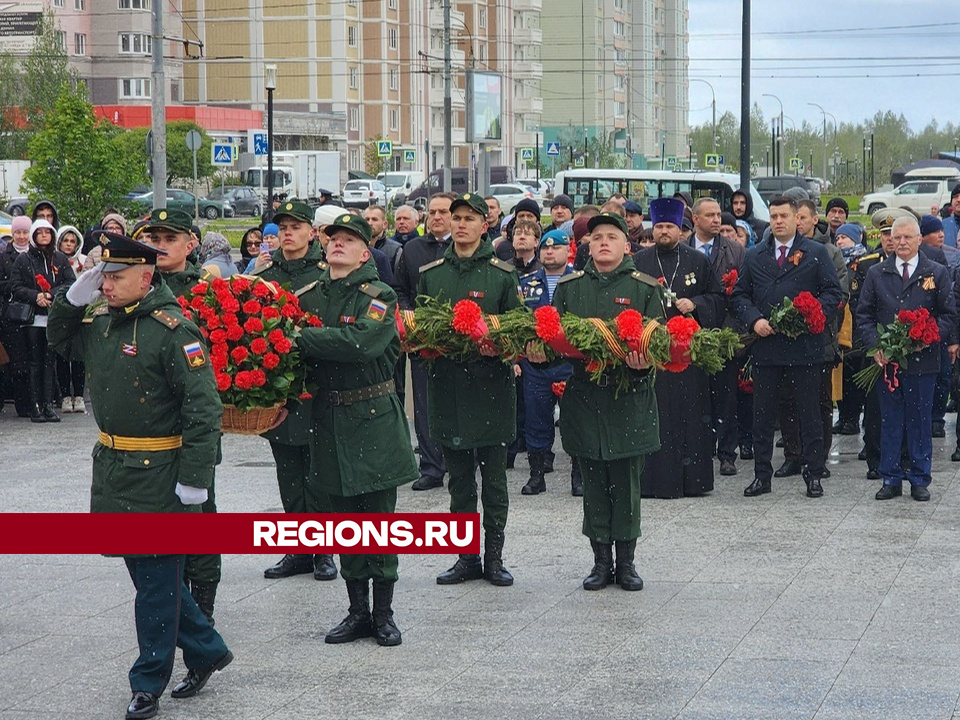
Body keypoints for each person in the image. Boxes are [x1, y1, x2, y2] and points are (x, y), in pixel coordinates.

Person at [47, 232, 232, 720]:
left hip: (159, 472)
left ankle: (147, 681)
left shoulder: (172, 331)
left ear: (146, 278)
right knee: (150, 574)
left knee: (154, 582)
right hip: (113, 467)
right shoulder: (105, 323)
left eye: (116, 276)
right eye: (103, 277)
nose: (106, 286)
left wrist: (195, 479)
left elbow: (203, 408)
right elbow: (60, 341)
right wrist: (73, 297)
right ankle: (208, 648)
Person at [295, 212, 418, 646]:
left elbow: (363, 343)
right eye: (333, 238)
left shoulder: (379, 294)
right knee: (343, 523)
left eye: (349, 239)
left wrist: (305, 339)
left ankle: (384, 614)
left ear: (366, 251)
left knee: (380, 523)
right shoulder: (309, 296)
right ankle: (356, 612)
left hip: (373, 420)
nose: (338, 244)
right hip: (328, 419)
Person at [530, 211, 663, 591]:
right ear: (586, 245)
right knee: (593, 482)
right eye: (596, 237)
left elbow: (660, 345)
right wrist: (543, 352)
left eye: (612, 236)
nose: (603, 242)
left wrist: (640, 367)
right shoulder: (571, 287)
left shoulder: (645, 288)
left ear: (627, 245)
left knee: (626, 483)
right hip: (585, 397)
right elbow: (555, 338)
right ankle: (600, 560)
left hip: (629, 399)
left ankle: (627, 563)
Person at [417, 192, 521, 586]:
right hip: (448, 387)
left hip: (490, 386)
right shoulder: (433, 272)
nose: (460, 224)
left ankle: (494, 557)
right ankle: (465, 557)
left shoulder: (501, 274)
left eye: (468, 218)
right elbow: (422, 326)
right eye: (454, 217)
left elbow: (518, 327)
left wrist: (495, 340)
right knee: (459, 481)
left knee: (494, 480)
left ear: (484, 225)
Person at [730, 196, 843, 498]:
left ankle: (813, 474)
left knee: (810, 414)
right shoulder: (755, 256)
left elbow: (834, 292)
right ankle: (761, 476)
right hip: (767, 349)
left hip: (804, 348)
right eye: (773, 216)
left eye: (783, 216)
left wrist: (811, 313)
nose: (778, 221)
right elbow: (740, 296)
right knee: (763, 416)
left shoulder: (816, 253)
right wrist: (754, 320)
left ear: (797, 219)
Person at [252, 199, 338, 583]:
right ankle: (297, 547)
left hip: (315, 384)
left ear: (311, 232)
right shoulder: (266, 273)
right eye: (282, 227)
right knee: (287, 468)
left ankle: (324, 550)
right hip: (278, 387)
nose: (287, 233)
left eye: (295, 227)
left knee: (317, 470)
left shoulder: (326, 272)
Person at [144, 208, 222, 623]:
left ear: (190, 245)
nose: (158, 245)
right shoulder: (138, 286)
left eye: (168, 238)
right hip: (148, 429)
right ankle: (172, 602)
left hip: (192, 423)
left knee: (200, 520)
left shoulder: (207, 290)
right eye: (153, 238)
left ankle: (203, 605)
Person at [855, 216, 958, 501]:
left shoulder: (935, 272)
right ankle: (890, 477)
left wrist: (928, 336)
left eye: (907, 237)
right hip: (887, 363)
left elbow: (948, 314)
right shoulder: (877, 273)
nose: (900, 242)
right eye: (896, 237)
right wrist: (876, 345)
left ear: (918, 240)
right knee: (890, 420)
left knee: (920, 420)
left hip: (922, 361)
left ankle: (919, 478)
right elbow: (863, 314)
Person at [635, 198, 724, 497]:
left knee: (690, 414)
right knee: (655, 414)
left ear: (681, 230)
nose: (663, 231)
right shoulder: (640, 262)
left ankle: (692, 480)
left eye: (669, 227)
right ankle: (654, 481)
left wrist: (696, 303)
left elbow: (717, 297)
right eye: (659, 226)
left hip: (687, 355)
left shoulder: (697, 261)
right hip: (654, 352)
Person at [394, 192, 455, 490]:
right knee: (424, 403)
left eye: (444, 211)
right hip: (422, 339)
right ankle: (431, 466)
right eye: (432, 212)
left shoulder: (465, 248)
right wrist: (409, 315)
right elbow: (400, 288)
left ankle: (458, 462)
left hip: (457, 340)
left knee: (455, 401)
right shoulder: (413, 249)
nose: (437, 217)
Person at [688, 197, 746, 476]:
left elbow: (743, 295)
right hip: (690, 336)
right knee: (694, 395)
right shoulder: (683, 249)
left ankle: (727, 453)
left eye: (718, 215)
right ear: (694, 219)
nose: (716, 220)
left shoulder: (735, 251)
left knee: (725, 398)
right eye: (709, 215)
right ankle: (697, 449)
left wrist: (730, 333)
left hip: (724, 334)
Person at [519, 229, 577, 496]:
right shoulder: (526, 282)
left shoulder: (579, 282)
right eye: (545, 248)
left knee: (576, 422)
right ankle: (536, 475)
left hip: (569, 365)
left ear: (568, 250)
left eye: (556, 247)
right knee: (536, 421)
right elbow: (518, 322)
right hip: (536, 365)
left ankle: (579, 476)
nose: (550, 252)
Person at [12, 219, 76, 422]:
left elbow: (70, 282)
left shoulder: (59, 258)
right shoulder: (23, 260)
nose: (43, 236)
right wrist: (35, 296)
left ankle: (48, 404)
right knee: (33, 362)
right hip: (31, 319)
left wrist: (50, 294)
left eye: (47, 232)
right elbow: (15, 286)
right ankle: (35, 406)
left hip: (52, 317)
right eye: (39, 233)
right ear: (33, 235)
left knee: (49, 363)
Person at [0, 215, 33, 417]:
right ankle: (22, 404)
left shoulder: (37, 255)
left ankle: (35, 401)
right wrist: (17, 287)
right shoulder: (4, 256)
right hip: (11, 314)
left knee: (34, 360)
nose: (21, 236)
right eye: (18, 232)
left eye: (24, 232)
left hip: (34, 312)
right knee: (17, 363)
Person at [55, 225, 87, 413]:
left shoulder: (83, 261)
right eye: (65, 241)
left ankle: (80, 395)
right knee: (61, 356)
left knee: (78, 356)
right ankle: (66, 395)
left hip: (80, 313)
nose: (68, 244)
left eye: (72, 241)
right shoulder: (54, 261)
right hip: (61, 314)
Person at [365, 205, 403, 276]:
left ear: (384, 224)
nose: (370, 223)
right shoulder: (356, 247)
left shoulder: (396, 250)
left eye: (374, 219)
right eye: (367, 219)